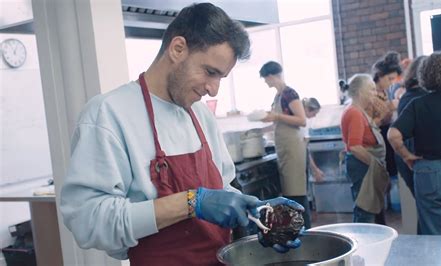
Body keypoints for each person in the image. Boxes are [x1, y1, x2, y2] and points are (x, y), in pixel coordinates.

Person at [60, 3, 303, 265]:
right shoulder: (108, 114)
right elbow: (88, 221)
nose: (213, 90)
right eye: (210, 72)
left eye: (221, 77)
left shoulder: (200, 115)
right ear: (177, 49)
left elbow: (220, 189)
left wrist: (256, 215)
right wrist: (191, 202)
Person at [388, 51, 441, 235]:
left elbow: (393, 135)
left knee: (436, 236)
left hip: (430, 173)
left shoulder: (417, 105)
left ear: (423, 77)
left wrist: (406, 156)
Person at [259, 61, 312, 229]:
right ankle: (298, 229)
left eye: (266, 79)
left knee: (297, 194)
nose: (266, 82)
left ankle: (306, 230)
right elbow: (280, 121)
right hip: (286, 151)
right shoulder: (278, 96)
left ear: (272, 76)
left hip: (294, 150)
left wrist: (276, 117)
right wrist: (258, 131)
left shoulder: (290, 93)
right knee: (291, 194)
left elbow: (301, 120)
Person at [340, 74, 390, 223]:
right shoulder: (354, 113)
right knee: (365, 211)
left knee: (371, 209)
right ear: (361, 92)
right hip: (362, 167)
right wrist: (376, 165)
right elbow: (354, 147)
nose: (375, 94)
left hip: (364, 167)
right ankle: (364, 243)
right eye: (372, 90)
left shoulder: (358, 111)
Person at [371, 51, 403, 224]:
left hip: (385, 138)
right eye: (389, 79)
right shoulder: (370, 94)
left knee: (387, 181)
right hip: (375, 140)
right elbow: (369, 124)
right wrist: (387, 109)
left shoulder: (384, 93)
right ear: (380, 76)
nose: (391, 83)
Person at [393, 56, 428, 197]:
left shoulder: (408, 95)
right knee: (427, 207)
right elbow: (393, 134)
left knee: (425, 207)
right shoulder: (417, 97)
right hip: (414, 157)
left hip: (409, 156)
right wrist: (407, 155)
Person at [302, 97, 324, 182]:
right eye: (314, 113)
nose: (314, 116)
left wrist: (315, 170)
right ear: (307, 109)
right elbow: (305, 150)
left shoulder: (304, 122)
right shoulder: (301, 124)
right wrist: (315, 170)